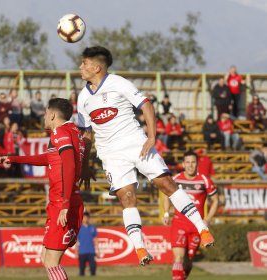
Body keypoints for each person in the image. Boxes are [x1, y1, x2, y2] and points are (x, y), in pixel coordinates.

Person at [77, 46, 214, 266]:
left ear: (97, 67)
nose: (80, 67)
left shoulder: (119, 83)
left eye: (84, 63)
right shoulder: (83, 97)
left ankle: (202, 228)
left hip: (135, 143)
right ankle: (140, 248)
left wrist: (151, 137)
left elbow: (146, 105)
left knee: (166, 184)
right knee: (127, 198)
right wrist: (84, 164)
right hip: (111, 154)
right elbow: (86, 133)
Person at [0, 98, 84, 280]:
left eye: (45, 113)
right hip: (60, 201)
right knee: (46, 257)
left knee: (52, 261)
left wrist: (65, 204)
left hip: (63, 201)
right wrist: (14, 159)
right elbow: (50, 159)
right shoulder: (72, 131)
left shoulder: (60, 132)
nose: (44, 117)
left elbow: (69, 166)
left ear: (51, 114)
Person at [163, 151, 219, 280]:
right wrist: (166, 213)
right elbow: (167, 196)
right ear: (183, 164)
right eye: (187, 162)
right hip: (179, 223)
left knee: (188, 260)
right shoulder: (176, 179)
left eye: (193, 162)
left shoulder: (205, 180)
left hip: (196, 226)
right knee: (178, 258)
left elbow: (216, 200)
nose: (190, 165)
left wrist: (208, 218)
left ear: (197, 164)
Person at [76, 212, 99, 277]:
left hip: (91, 251)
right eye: (84, 217)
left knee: (93, 268)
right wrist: (76, 251)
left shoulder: (92, 227)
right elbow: (76, 240)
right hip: (82, 251)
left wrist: (98, 250)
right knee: (82, 269)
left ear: (89, 218)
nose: (85, 219)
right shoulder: (79, 228)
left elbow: (96, 239)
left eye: (87, 217)